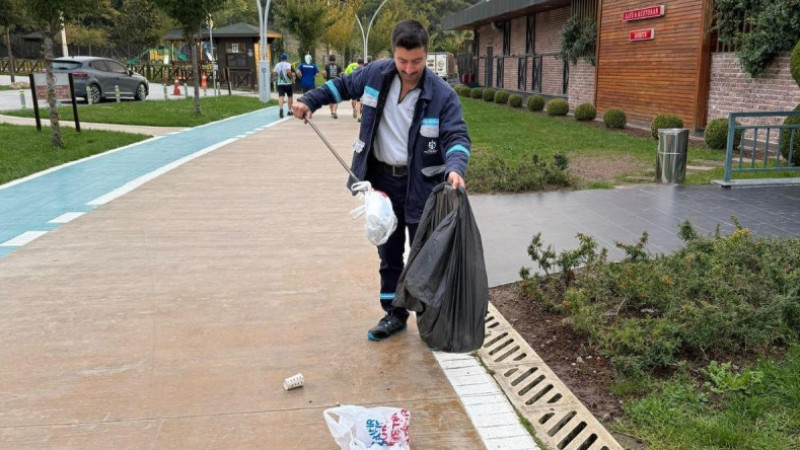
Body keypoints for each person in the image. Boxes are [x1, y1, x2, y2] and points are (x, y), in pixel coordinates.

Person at [292, 20, 470, 342]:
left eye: (416, 61)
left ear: (425, 55)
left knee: (426, 256)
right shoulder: (375, 75)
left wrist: (455, 167)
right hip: (382, 184)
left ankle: (432, 320)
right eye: (403, 60)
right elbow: (342, 87)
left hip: (423, 188)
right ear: (393, 54)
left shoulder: (442, 95)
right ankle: (393, 314)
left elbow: (456, 137)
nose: (409, 68)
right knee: (388, 254)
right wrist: (310, 100)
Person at [273, 53, 294, 118]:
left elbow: (274, 74)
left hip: (280, 83)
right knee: (290, 96)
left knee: (281, 96)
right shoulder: (288, 64)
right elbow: (288, 71)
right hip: (288, 83)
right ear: (286, 59)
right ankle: (290, 111)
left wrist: (277, 77)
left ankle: (281, 108)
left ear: (281, 59)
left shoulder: (277, 65)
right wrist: (292, 78)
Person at [322, 55, 342, 119]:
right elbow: (342, 74)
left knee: (330, 98)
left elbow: (324, 72)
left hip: (329, 83)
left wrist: (324, 77)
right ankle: (334, 111)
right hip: (336, 83)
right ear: (335, 59)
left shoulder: (327, 66)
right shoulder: (338, 66)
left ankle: (331, 112)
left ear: (329, 59)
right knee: (336, 98)